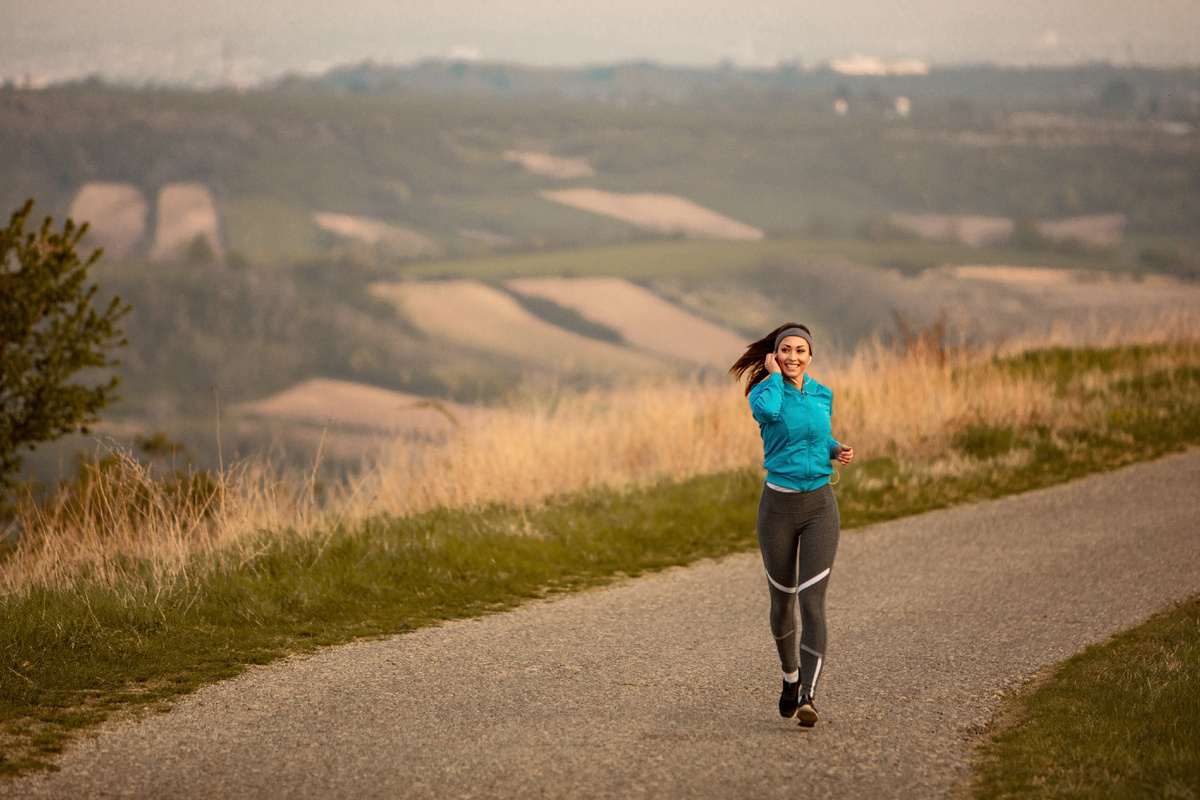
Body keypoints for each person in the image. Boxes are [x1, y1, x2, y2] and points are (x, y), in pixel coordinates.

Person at [729, 323, 854, 728]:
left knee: (811, 603)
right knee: (782, 604)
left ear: (810, 356)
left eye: (801, 350)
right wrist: (772, 376)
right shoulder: (764, 392)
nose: (794, 356)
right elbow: (769, 414)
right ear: (775, 355)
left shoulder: (822, 393)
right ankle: (789, 677)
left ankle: (808, 696)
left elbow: (818, 435)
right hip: (777, 510)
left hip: (820, 507)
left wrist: (835, 448)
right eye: (786, 350)